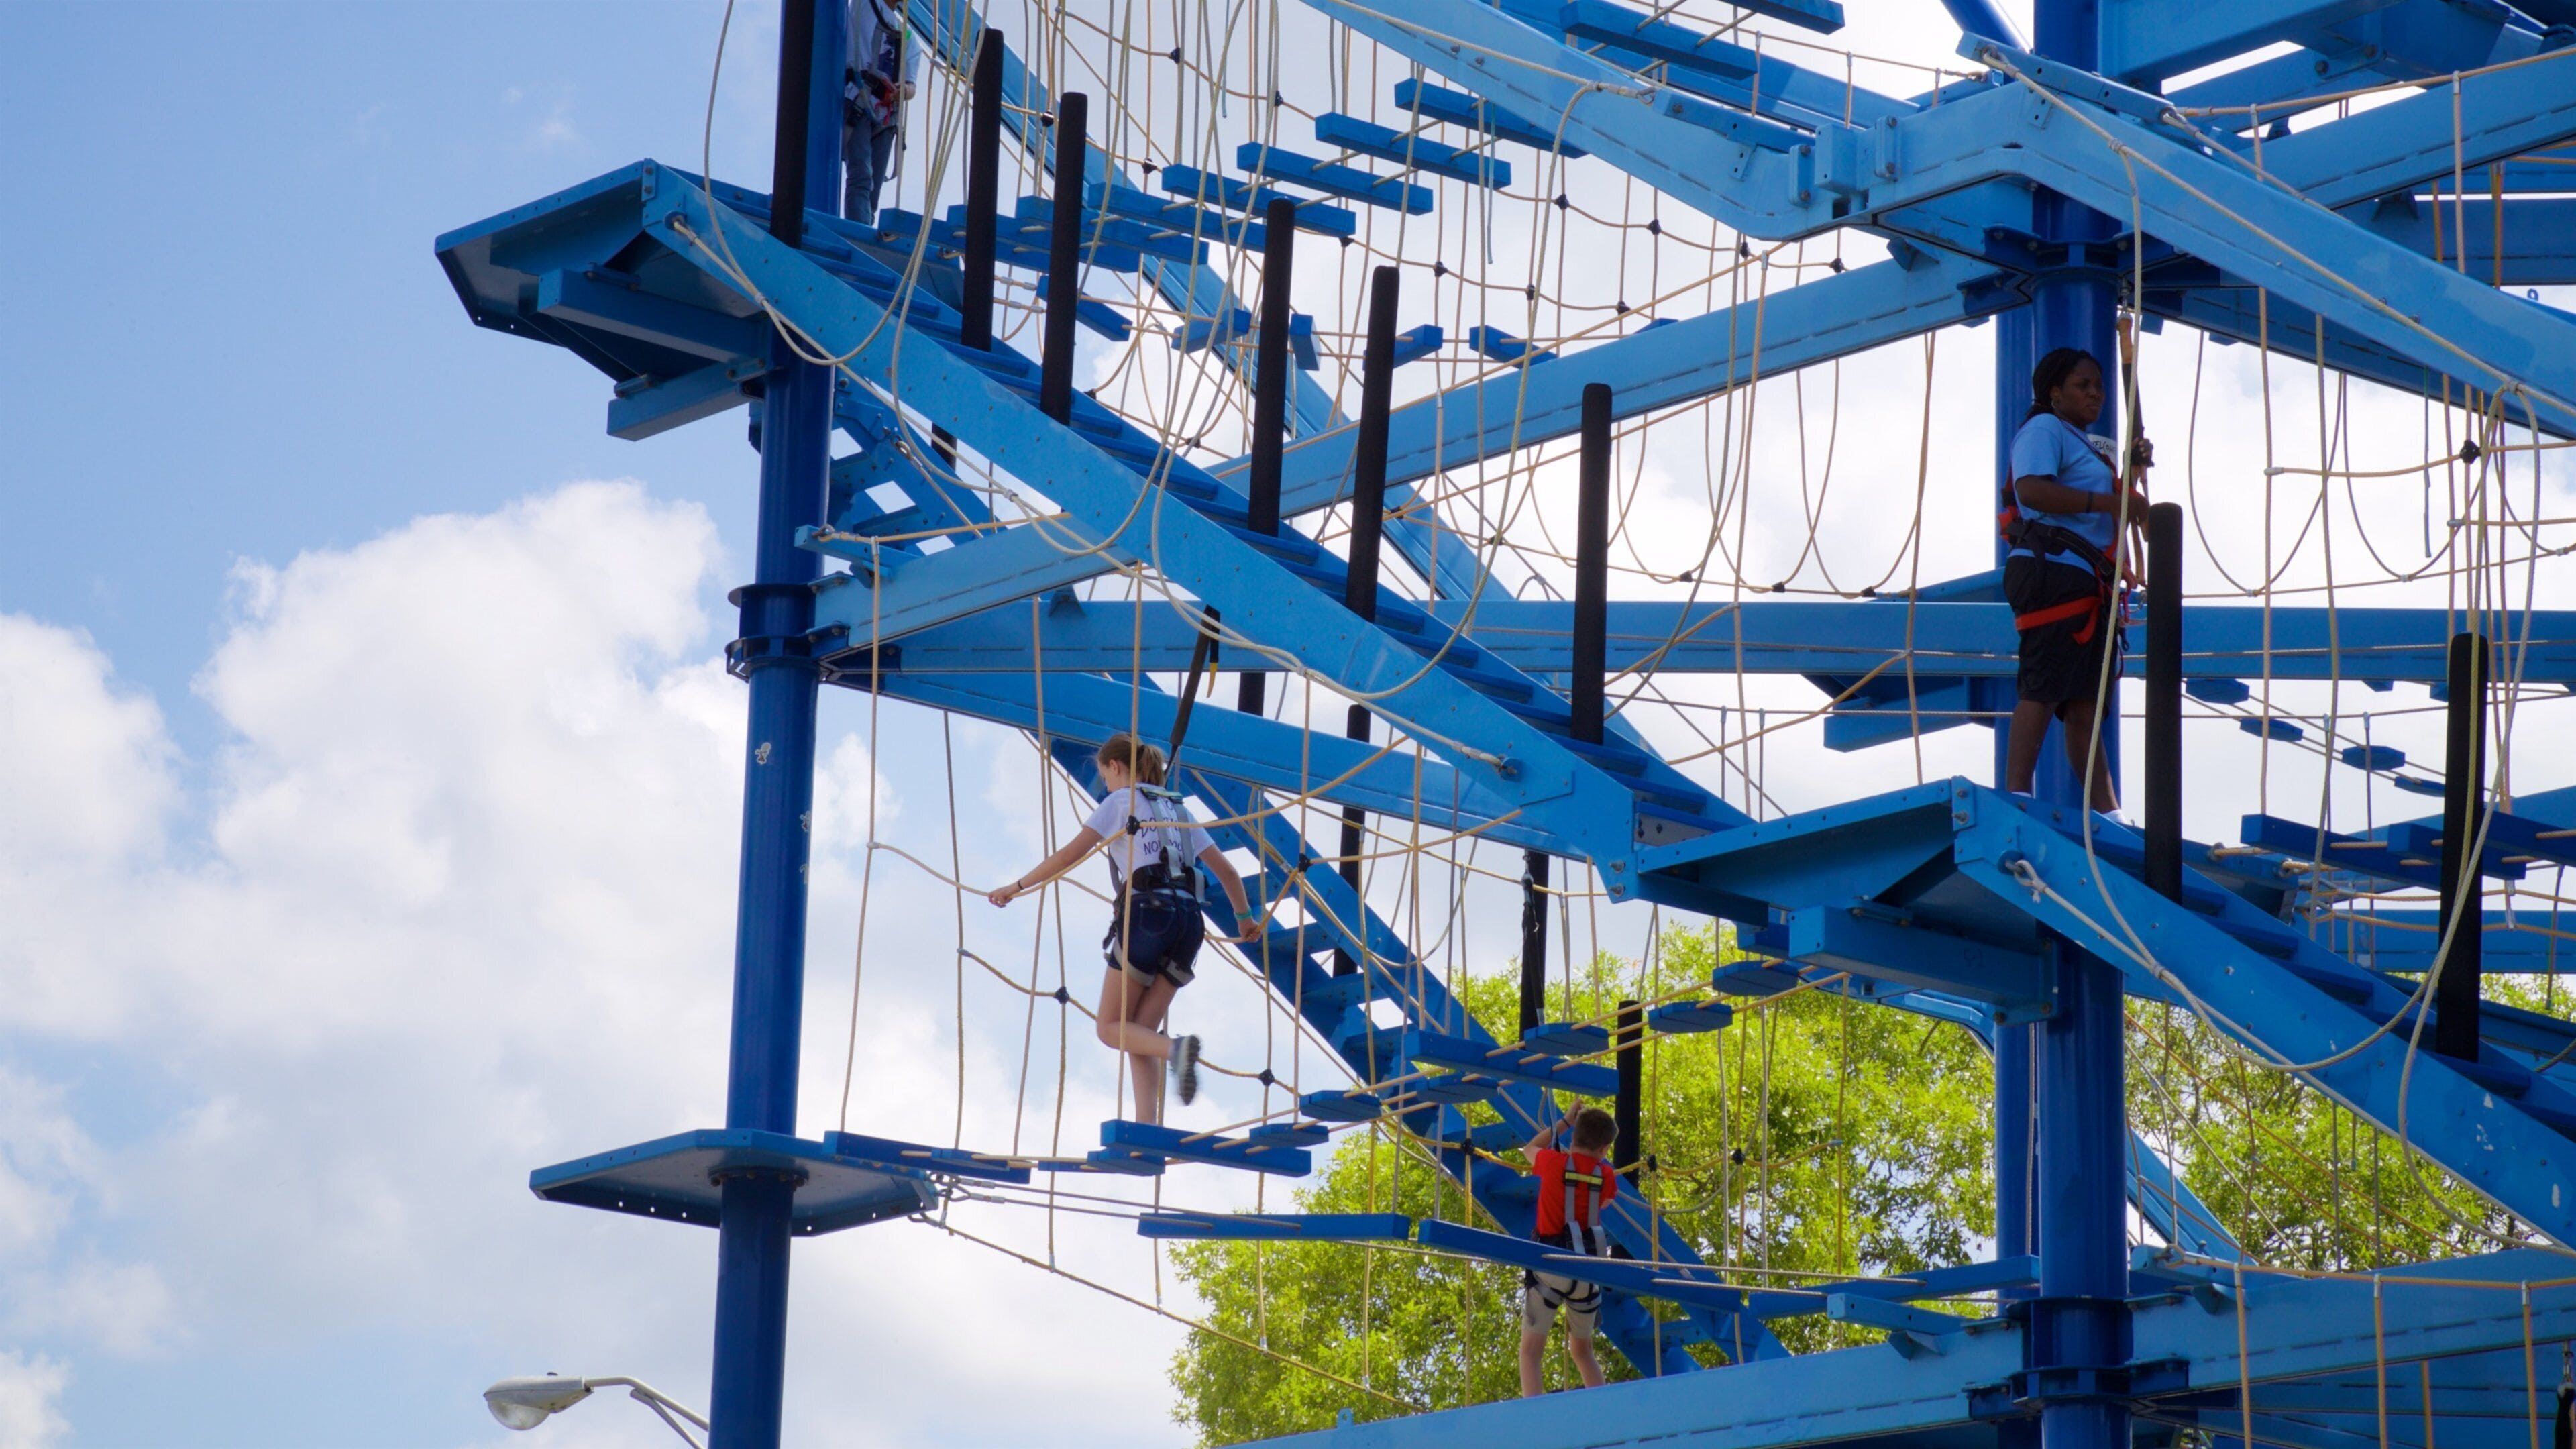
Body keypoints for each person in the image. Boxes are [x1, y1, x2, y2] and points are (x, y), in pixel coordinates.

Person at [987, 734, 1256, 1123]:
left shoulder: (1119, 803)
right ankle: (1148, 1124)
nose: (1107, 785)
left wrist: (1016, 888)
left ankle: (1175, 1050)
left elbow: (1069, 855)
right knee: (1138, 1030)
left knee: (1110, 1028)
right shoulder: (1179, 811)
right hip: (1190, 923)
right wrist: (1245, 920)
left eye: (1105, 776)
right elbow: (1228, 873)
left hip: (1149, 916)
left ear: (1114, 767)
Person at [2002, 347, 2150, 814]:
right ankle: (2017, 796)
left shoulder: (2081, 445)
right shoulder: (2044, 428)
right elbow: (2031, 489)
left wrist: (2129, 471)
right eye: (2083, 386)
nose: (2096, 395)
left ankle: (2109, 815)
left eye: (2100, 387)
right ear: (2055, 393)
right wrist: (2109, 502)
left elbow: (2106, 506)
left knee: (2086, 703)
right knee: (2045, 686)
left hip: (2086, 579)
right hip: (2055, 572)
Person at [1518, 1104, 1620, 1396]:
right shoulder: (1606, 1176)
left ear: (1575, 1135)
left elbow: (1530, 1148)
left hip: (1552, 1267)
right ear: (1603, 1149)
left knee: (1530, 1354)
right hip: (1589, 1273)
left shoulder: (1552, 1163)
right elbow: (1604, 1202)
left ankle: (1536, 1423)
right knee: (1582, 1351)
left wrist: (1564, 1121)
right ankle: (1603, 1412)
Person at [843, 0, 917, 223]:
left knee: (873, 192)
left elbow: (911, 85)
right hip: (857, 101)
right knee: (861, 177)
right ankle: (859, 233)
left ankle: (863, 232)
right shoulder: (865, 5)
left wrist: (903, 91)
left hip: (885, 116)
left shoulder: (909, 38)